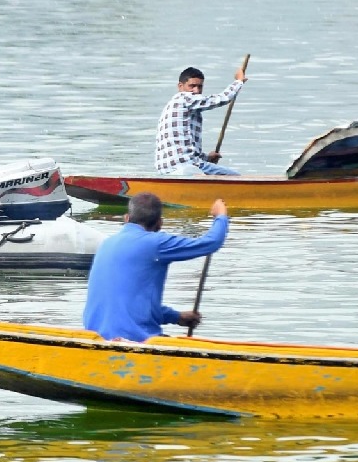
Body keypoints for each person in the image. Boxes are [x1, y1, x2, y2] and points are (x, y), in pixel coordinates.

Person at [83, 192, 229, 342]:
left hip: (96, 337)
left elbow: (131, 304)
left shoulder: (107, 243)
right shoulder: (156, 243)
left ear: (126, 218)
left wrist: (176, 317)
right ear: (160, 223)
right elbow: (212, 243)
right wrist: (221, 216)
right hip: (133, 339)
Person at [154, 66, 247, 176]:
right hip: (184, 166)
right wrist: (239, 81)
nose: (196, 91)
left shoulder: (177, 105)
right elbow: (223, 99)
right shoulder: (184, 98)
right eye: (192, 86)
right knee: (235, 176)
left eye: (199, 86)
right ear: (180, 86)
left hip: (167, 168)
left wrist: (207, 158)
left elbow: (182, 146)